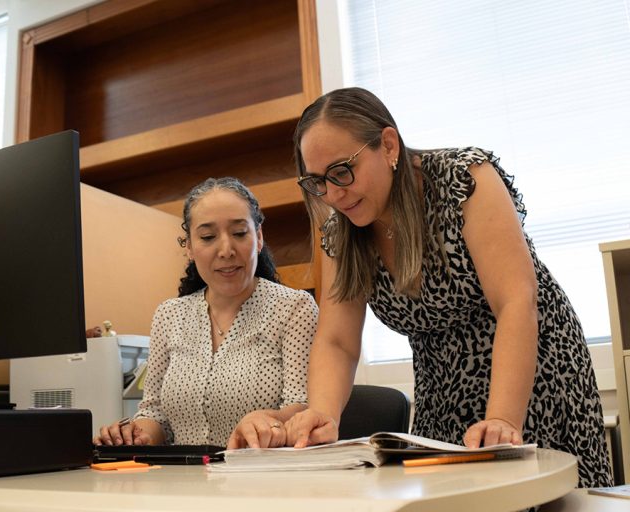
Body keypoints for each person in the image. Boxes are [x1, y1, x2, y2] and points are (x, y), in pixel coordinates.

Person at [285, 87, 612, 488]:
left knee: (540, 495)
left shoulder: (464, 180)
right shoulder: (343, 231)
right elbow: (337, 340)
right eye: (318, 181)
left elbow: (515, 301)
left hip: (529, 372)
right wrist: (323, 412)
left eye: (342, 171)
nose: (334, 194)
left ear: (388, 145)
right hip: (441, 386)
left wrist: (503, 418)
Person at [94, 177, 318, 449]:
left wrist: (269, 420)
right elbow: (155, 415)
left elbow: (302, 405)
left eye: (239, 233)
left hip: (259, 471)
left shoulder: (294, 308)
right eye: (208, 237)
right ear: (189, 247)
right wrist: (132, 436)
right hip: (183, 473)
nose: (226, 250)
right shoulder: (169, 316)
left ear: (258, 237)